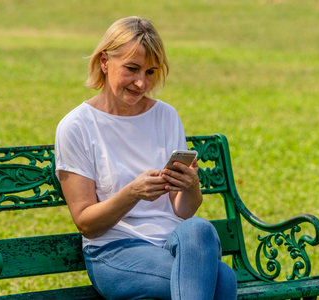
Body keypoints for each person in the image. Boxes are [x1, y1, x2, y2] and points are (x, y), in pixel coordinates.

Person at [55, 16, 237, 300]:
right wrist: (132, 193)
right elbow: (86, 223)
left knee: (199, 227)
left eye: (151, 72)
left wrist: (190, 185)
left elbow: (184, 210)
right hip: (114, 251)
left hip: (172, 244)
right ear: (104, 61)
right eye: (132, 68)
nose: (141, 82)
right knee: (221, 279)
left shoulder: (167, 116)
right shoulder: (77, 126)